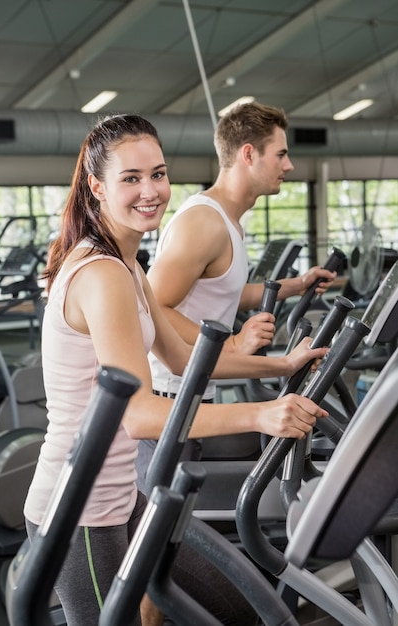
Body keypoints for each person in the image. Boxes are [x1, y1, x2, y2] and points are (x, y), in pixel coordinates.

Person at [23, 113, 328, 626]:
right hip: (79, 512)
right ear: (97, 187)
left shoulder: (128, 265)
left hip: (122, 497)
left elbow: (186, 361)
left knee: (238, 607)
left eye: (158, 174)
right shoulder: (100, 273)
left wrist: (281, 364)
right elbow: (138, 416)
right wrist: (261, 415)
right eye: (131, 178)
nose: (151, 191)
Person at [137, 101, 336, 489]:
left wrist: (296, 285)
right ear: (249, 154)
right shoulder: (203, 222)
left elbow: (221, 290)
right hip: (169, 402)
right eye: (280, 154)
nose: (289, 165)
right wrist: (233, 342)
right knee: (158, 536)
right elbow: (154, 303)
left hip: (193, 393)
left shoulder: (228, 223)